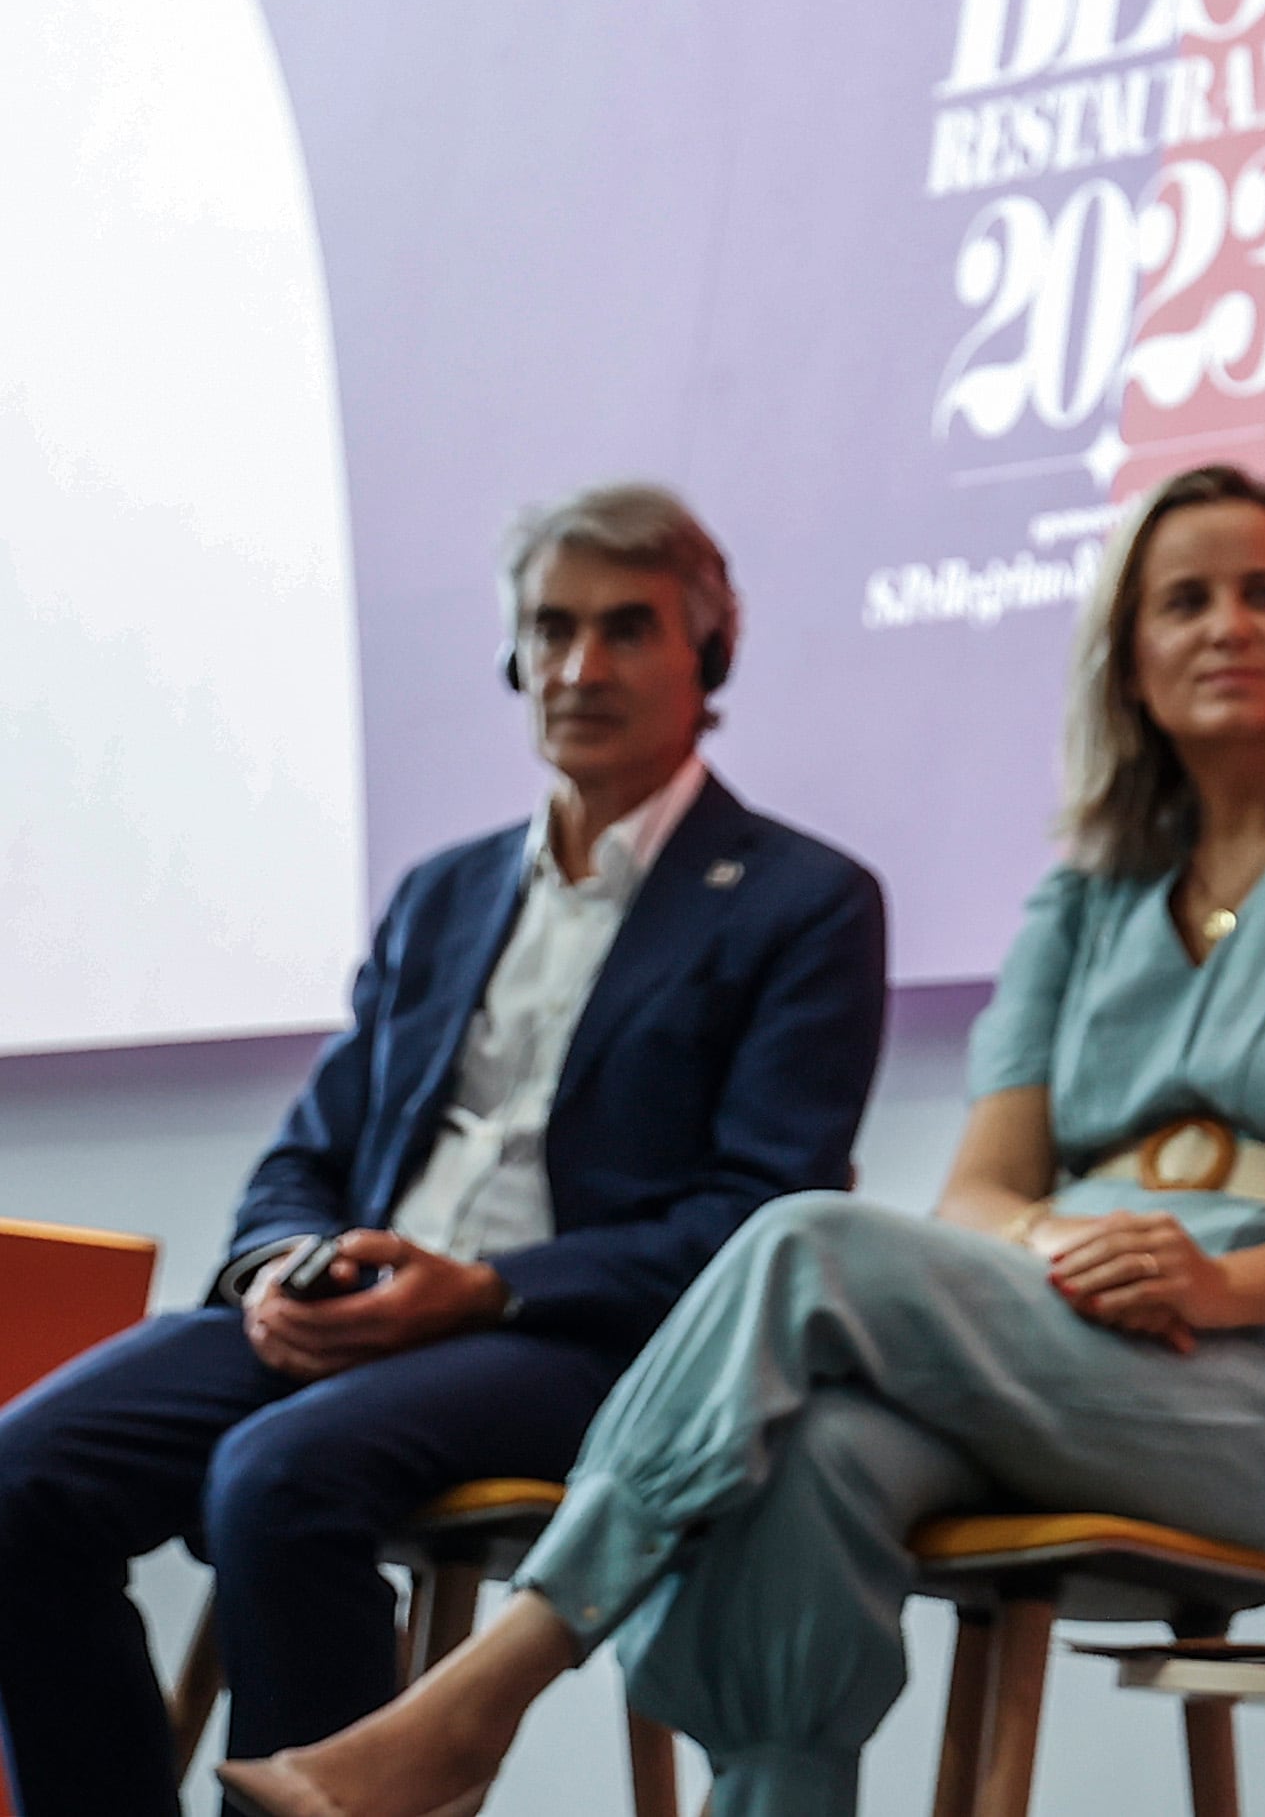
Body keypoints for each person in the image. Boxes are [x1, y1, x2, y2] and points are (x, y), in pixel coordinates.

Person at [217, 461, 1265, 1817]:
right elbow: (985, 1190)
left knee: (800, 1239)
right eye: (1184, 600)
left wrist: (1212, 1279)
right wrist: (1059, 1246)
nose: (1227, 625)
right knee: (809, 1463)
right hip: (1060, 1320)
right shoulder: (1083, 894)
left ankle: (486, 1691)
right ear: (1129, 661)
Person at [0, 487, 886, 1817]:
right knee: (18, 1481)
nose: (581, 667)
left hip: (581, 1337)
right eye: (552, 628)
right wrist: (281, 1266)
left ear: (709, 656)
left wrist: (486, 1287)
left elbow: (760, 1216)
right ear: (513, 658)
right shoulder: (445, 891)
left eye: (627, 629)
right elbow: (309, 1149)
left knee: (280, 1475)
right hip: (353, 1310)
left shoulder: (801, 900)